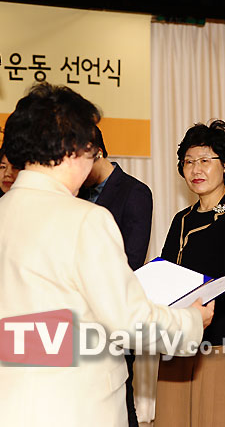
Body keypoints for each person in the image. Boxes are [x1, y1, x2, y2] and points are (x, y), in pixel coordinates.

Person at [0, 82, 214, 427]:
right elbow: (129, 321)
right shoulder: (85, 220)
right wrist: (191, 321)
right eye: (90, 150)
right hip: (65, 405)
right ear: (71, 149)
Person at [154, 120, 225, 427]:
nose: (195, 169)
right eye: (188, 162)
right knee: (170, 419)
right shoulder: (181, 219)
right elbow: (165, 273)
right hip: (177, 335)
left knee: (216, 419)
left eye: (204, 160)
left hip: (220, 338)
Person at [78, 128, 153, 427]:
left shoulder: (135, 192)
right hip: (75, 319)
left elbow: (131, 260)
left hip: (113, 314)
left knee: (120, 401)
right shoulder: (73, 193)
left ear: (96, 151)